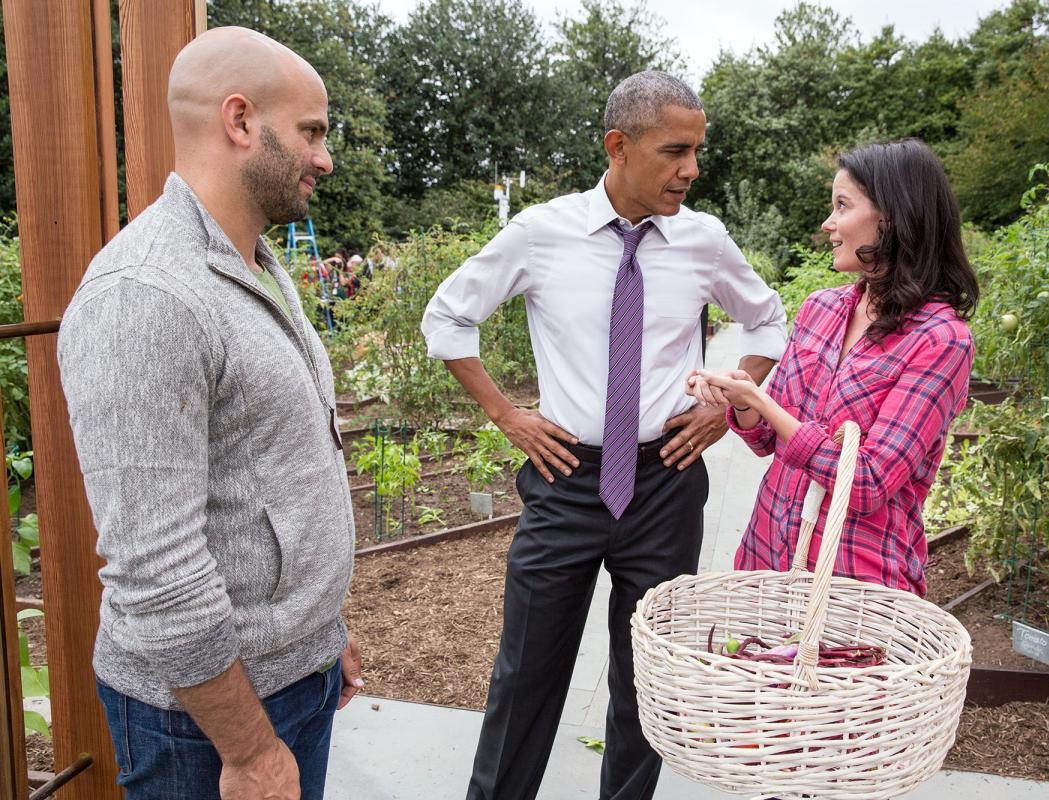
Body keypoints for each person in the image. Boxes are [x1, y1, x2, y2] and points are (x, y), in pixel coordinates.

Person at [422, 71, 787, 799]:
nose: (692, 169)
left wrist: (726, 402)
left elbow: (768, 318)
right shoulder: (541, 232)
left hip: (666, 484)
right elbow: (446, 318)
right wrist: (506, 413)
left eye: (697, 151)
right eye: (675, 150)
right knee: (526, 676)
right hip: (565, 484)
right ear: (618, 147)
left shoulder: (704, 240)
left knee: (645, 683)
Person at [57, 26, 361, 800]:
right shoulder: (147, 296)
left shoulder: (253, 261)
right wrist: (250, 750)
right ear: (238, 120)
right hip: (204, 724)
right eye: (312, 132)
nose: (325, 158)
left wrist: (323, 637)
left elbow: (272, 472)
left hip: (294, 678)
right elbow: (155, 570)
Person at [688, 138, 979, 597]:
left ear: (893, 217)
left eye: (842, 206)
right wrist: (743, 400)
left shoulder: (940, 340)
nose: (828, 224)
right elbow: (767, 437)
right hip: (767, 556)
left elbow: (865, 482)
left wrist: (761, 401)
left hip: (854, 585)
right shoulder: (820, 309)